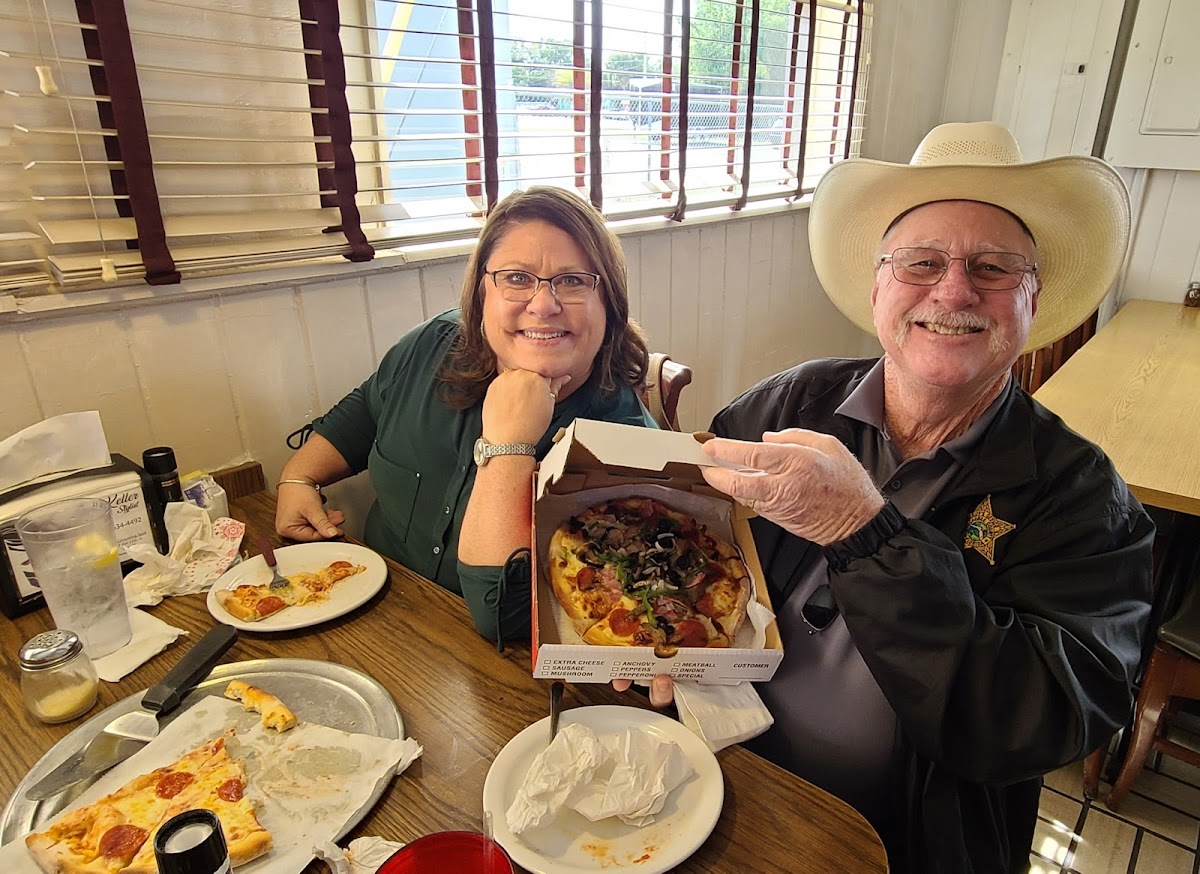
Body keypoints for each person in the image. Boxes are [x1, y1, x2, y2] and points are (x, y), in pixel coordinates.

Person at [623, 122, 1154, 872]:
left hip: (901, 844)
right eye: (922, 262)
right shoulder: (790, 402)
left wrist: (861, 529)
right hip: (713, 778)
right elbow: (687, 539)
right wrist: (647, 636)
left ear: (1032, 300)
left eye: (994, 268)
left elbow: (1043, 720)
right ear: (878, 289)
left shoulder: (1081, 497)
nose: (955, 290)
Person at [275, 186, 657, 643]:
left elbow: (503, 622)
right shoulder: (432, 344)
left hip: (488, 663)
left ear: (609, 304)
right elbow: (365, 411)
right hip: (363, 611)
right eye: (517, 278)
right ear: (481, 294)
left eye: (573, 281)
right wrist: (298, 478)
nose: (542, 304)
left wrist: (509, 445)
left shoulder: (631, 450)